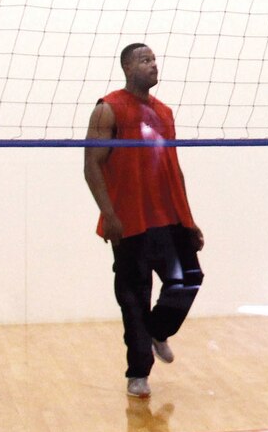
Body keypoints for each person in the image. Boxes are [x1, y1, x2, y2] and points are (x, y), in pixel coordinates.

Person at [84, 43, 204, 398]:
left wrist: (190, 219)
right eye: (144, 59)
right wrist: (109, 214)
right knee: (134, 299)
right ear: (126, 67)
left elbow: (174, 169)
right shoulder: (108, 109)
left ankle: (158, 329)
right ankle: (138, 373)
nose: (153, 64)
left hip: (169, 219)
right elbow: (92, 166)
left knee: (189, 280)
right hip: (130, 221)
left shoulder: (165, 112)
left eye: (154, 59)